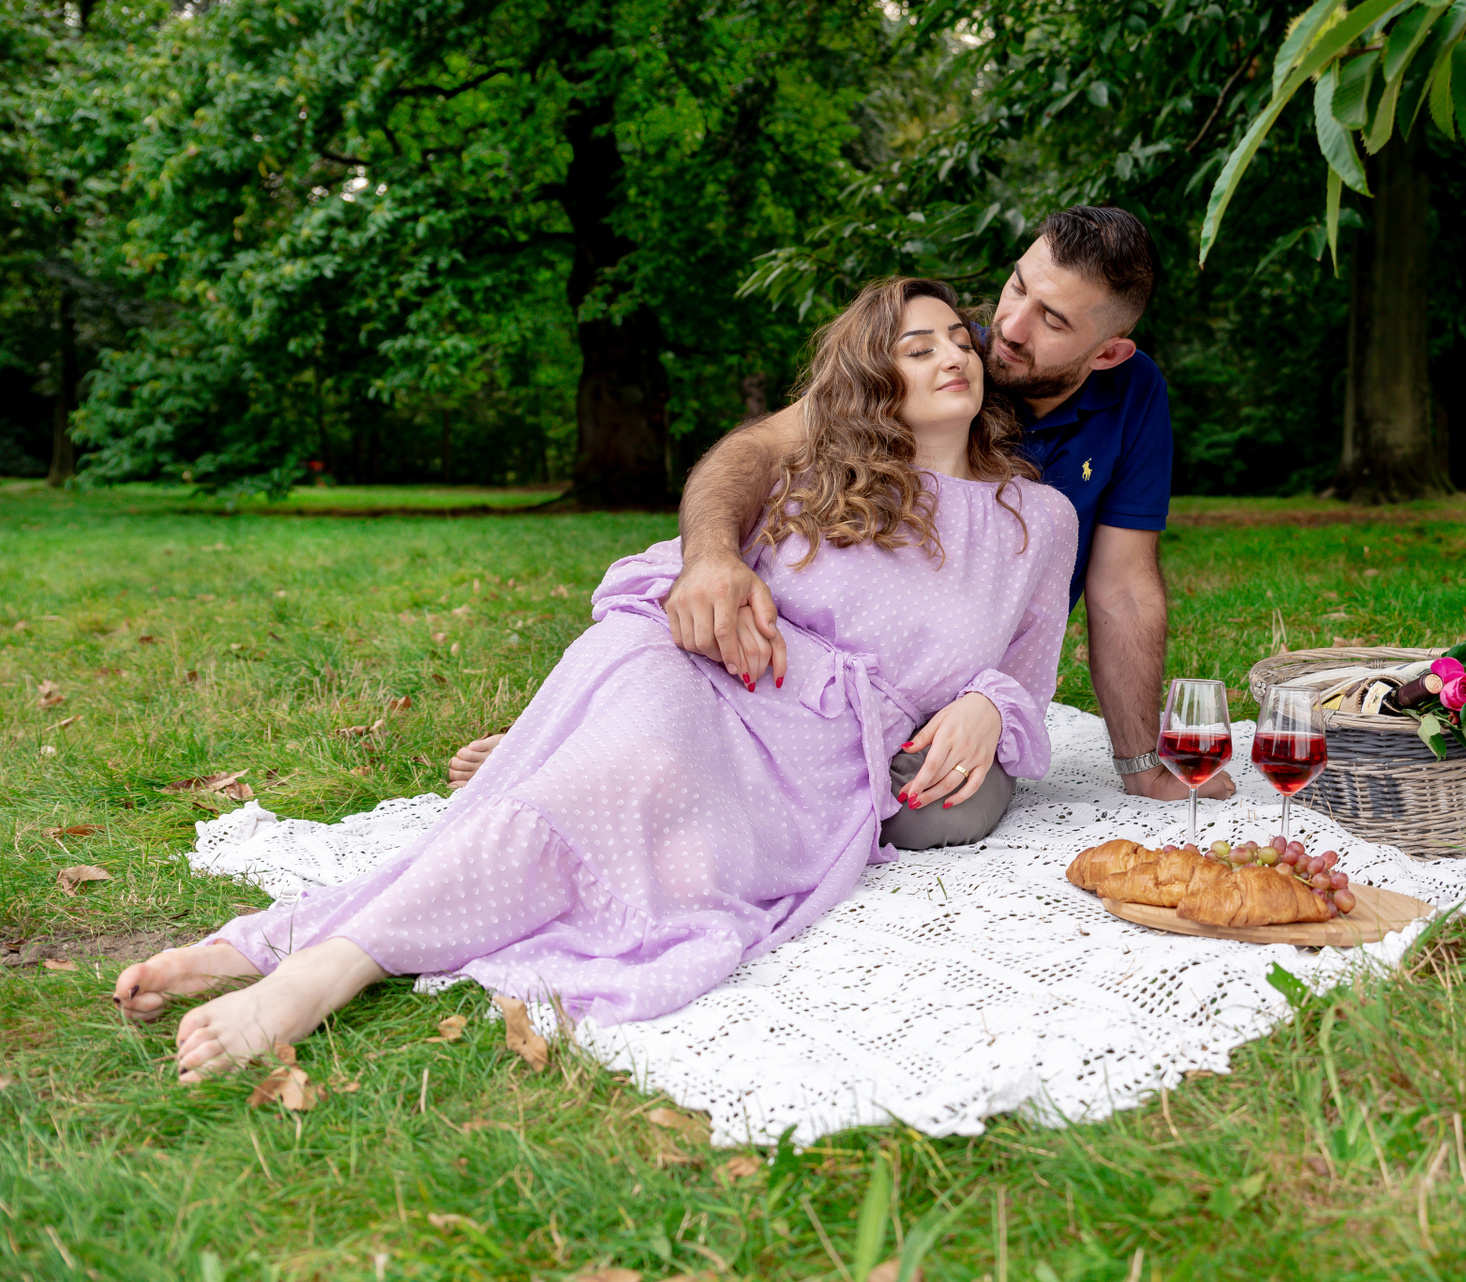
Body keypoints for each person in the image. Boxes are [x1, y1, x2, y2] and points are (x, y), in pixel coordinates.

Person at [113, 278, 1078, 1078]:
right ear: (872, 378)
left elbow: (1023, 679)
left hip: (816, 754)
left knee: (633, 806)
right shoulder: (813, 475)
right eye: (916, 348)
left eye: (959, 340)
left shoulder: (1037, 521)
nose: (953, 355)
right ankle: (322, 966)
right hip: (705, 674)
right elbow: (680, 580)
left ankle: (310, 947)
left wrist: (986, 707)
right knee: (625, 749)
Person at [450, 206, 1234, 803]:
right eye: (1016, 287)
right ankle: (587, 739)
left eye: (1052, 320)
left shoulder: (1134, 397)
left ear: (1109, 352)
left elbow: (1124, 585)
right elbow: (756, 450)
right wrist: (711, 556)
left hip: (956, 671)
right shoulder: (943, 355)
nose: (1007, 327)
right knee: (725, 685)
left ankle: (609, 745)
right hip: (844, 649)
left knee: (927, 804)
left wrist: (1140, 764)